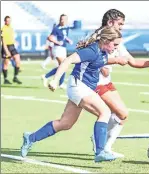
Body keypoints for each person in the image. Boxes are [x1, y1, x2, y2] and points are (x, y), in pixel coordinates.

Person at [21, 26, 127, 162]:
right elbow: (67, 60)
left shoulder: (102, 53)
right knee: (105, 112)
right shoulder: (91, 50)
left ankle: (30, 138)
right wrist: (55, 80)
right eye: (115, 44)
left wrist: (117, 61)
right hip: (79, 86)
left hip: (83, 88)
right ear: (106, 40)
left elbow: (101, 62)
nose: (117, 48)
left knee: (65, 123)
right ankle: (100, 152)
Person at [76, 9, 149, 158]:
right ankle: (100, 139)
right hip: (93, 84)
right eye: (120, 23)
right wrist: (99, 64)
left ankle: (105, 145)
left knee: (122, 116)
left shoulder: (116, 39)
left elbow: (132, 61)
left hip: (106, 83)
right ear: (110, 22)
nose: (122, 27)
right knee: (120, 113)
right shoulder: (96, 38)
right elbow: (82, 56)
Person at [41, 14, 73, 89]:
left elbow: (64, 37)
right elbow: (49, 37)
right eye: (61, 19)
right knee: (63, 65)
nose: (63, 21)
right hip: (58, 48)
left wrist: (68, 40)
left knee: (63, 66)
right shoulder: (56, 28)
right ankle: (48, 77)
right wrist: (57, 42)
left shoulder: (67, 27)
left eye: (64, 19)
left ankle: (58, 82)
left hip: (63, 48)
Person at [1, 16, 22, 84]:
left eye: (10, 21)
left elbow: (10, 37)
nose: (9, 22)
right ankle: (5, 79)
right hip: (6, 47)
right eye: (7, 21)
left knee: (18, 59)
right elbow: (3, 41)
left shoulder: (11, 28)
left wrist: (15, 41)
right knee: (6, 63)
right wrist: (6, 51)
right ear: (5, 21)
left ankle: (15, 77)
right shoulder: (3, 29)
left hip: (12, 46)